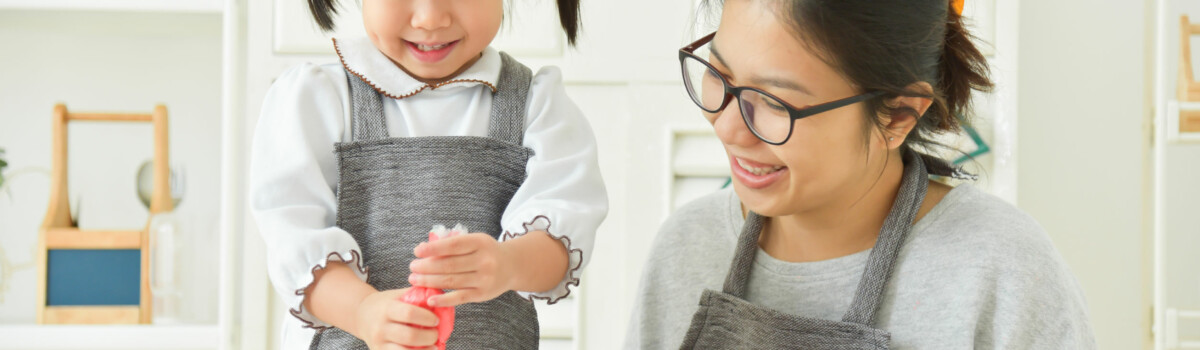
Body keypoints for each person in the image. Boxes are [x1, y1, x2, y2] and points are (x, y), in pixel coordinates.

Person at [625, 0, 1096, 348]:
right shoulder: (687, 246)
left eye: (775, 101)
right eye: (720, 76)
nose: (727, 127)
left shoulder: (1001, 268)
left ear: (898, 116)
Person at [249, 0, 607, 348]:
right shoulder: (320, 100)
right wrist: (362, 310)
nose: (430, 18)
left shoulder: (537, 107)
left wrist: (509, 263)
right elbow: (293, 242)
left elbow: (563, 235)